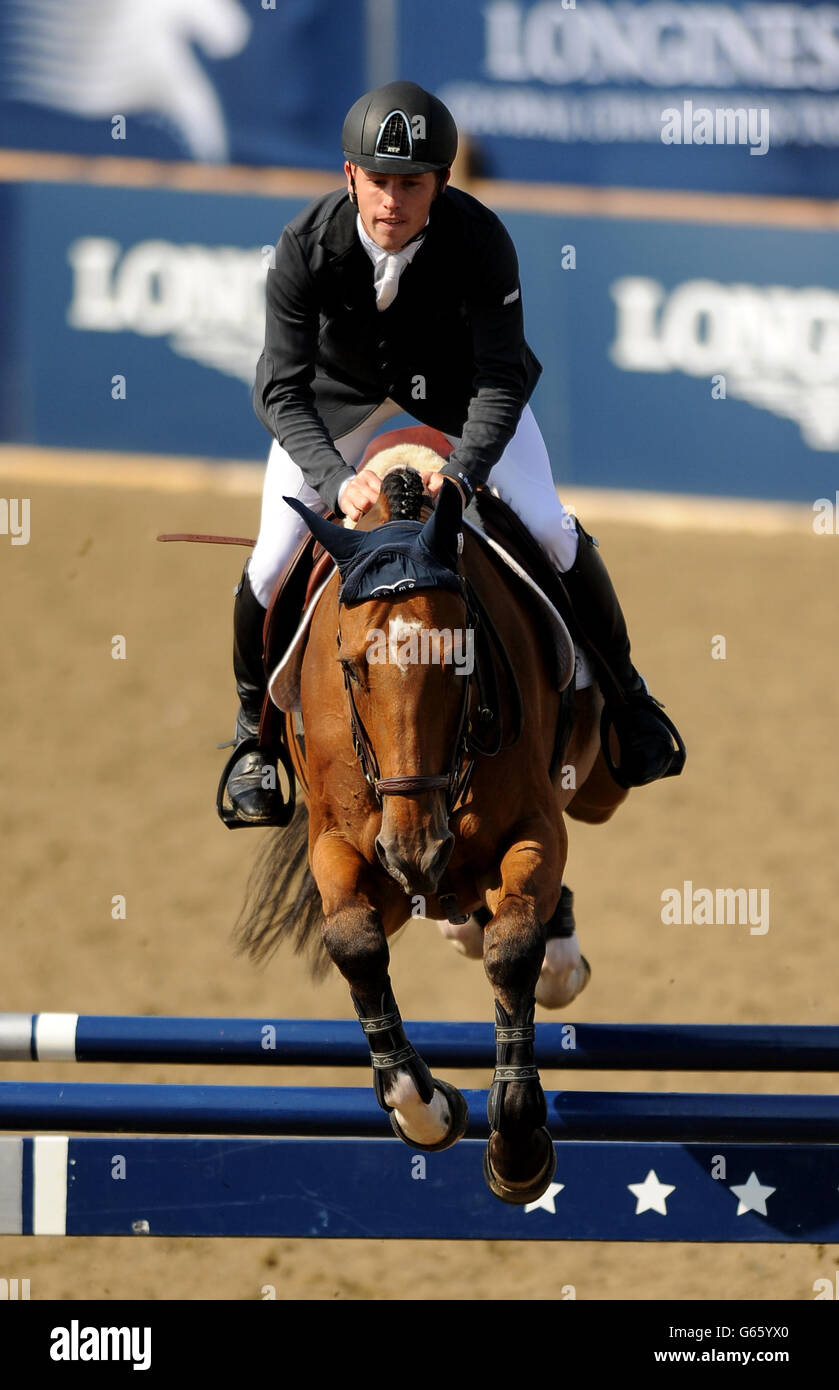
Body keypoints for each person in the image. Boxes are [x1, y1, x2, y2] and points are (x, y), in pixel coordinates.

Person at [225, 80, 683, 825]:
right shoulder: (304, 246)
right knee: (271, 562)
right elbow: (280, 392)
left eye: (412, 183)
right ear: (349, 177)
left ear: (440, 181)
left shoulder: (480, 241)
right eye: (378, 181)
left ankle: (629, 702)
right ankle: (253, 740)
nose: (392, 202)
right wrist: (336, 481)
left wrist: (464, 473)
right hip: (337, 407)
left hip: (461, 397)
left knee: (549, 528)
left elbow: (501, 378)